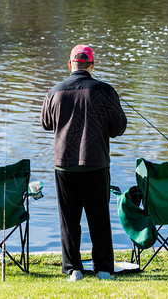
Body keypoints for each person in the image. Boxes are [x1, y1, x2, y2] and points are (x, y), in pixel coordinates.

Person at [41, 44, 127, 281]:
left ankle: (73, 269)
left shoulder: (54, 92)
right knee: (99, 217)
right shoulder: (105, 91)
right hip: (95, 163)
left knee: (69, 219)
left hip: (64, 165)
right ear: (92, 65)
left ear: (70, 65)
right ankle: (103, 269)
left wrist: (51, 98)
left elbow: (46, 124)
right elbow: (118, 128)